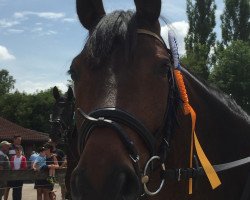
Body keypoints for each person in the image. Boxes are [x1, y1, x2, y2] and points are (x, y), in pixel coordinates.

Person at [5, 135, 24, 199]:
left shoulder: (21, 147)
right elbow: (6, 156)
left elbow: (23, 157)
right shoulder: (9, 147)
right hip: (10, 171)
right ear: (14, 140)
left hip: (19, 172)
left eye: (20, 140)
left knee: (18, 189)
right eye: (18, 140)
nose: (20, 141)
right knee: (7, 187)